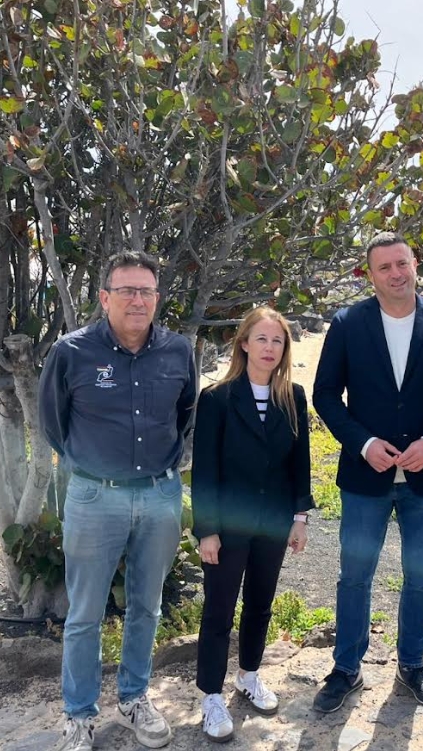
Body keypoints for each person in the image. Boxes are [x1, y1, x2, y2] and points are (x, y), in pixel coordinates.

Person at [311, 232, 423, 713]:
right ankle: (346, 668)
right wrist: (364, 444)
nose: (395, 274)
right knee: (354, 577)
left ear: (415, 265)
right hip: (365, 477)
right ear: (370, 275)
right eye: (384, 267)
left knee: (422, 579)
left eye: (402, 263)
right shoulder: (347, 324)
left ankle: (412, 665)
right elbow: (325, 395)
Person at [39, 251, 196, 751]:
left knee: (146, 606)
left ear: (157, 298)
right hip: (94, 498)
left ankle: (133, 699)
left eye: (146, 291)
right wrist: (94, 467)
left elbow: (186, 414)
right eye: (126, 290)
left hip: (160, 496)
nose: (137, 300)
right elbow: (53, 424)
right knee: (84, 613)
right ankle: (79, 715)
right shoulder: (71, 352)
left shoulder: (178, 350)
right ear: (105, 297)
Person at [191, 307, 314, 742]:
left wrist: (299, 518)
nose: (269, 348)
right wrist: (206, 529)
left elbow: (300, 462)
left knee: (260, 604)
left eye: (277, 341)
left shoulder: (293, 396)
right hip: (227, 526)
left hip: (274, 522)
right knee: (219, 609)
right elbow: (204, 470)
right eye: (261, 339)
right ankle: (211, 695)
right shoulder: (217, 398)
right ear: (244, 343)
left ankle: (248, 675)